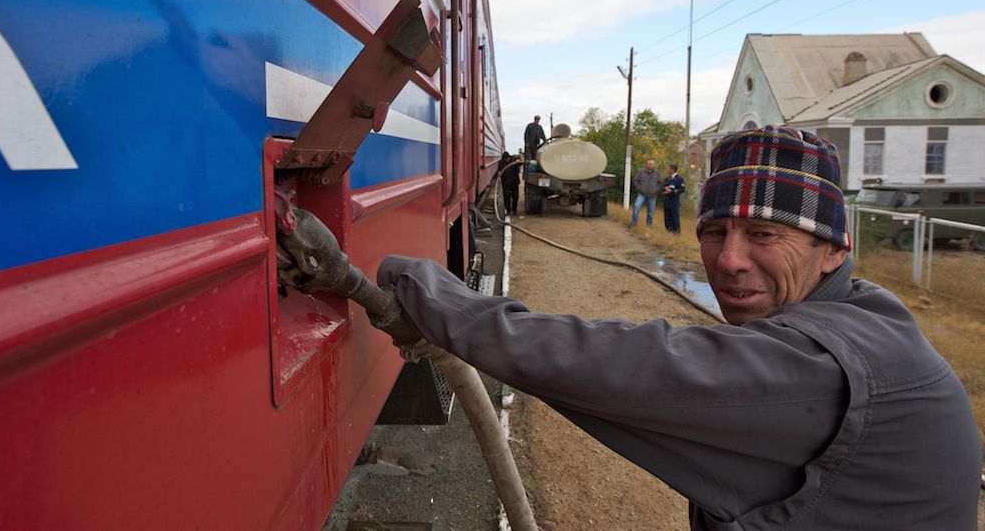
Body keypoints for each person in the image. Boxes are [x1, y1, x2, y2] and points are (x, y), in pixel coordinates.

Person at [376, 125, 981, 529]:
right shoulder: (870, 316)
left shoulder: (826, 364)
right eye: (714, 232)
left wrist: (423, 288)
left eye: (765, 234)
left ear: (833, 249)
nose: (730, 259)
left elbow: (617, 366)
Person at [631, 158, 661, 227]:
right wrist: (639, 188)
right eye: (649, 163)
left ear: (654, 164)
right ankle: (633, 223)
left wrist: (656, 190)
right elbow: (635, 180)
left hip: (652, 195)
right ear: (647, 164)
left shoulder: (657, 173)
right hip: (642, 194)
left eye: (652, 164)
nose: (650, 165)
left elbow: (660, 183)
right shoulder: (640, 171)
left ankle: (648, 226)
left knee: (651, 212)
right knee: (636, 206)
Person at [661, 162, 685, 233]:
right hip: (667, 201)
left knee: (674, 217)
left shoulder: (679, 179)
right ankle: (668, 231)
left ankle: (676, 232)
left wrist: (672, 191)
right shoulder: (667, 178)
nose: (668, 170)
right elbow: (662, 186)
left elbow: (682, 189)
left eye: (669, 168)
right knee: (667, 217)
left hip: (674, 202)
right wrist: (665, 189)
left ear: (673, 169)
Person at [497, 151, 521, 217]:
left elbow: (520, 162)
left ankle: (514, 210)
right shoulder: (501, 163)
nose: (506, 160)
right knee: (506, 197)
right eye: (505, 159)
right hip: (506, 183)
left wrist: (518, 161)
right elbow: (499, 172)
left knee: (515, 196)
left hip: (514, 182)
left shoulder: (513, 159)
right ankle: (508, 211)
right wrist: (499, 173)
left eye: (507, 159)